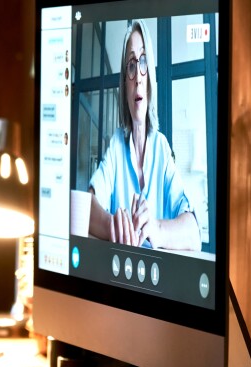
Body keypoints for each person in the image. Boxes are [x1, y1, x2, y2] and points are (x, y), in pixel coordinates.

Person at [87, 19, 200, 251]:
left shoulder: (162, 147)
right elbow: (87, 206)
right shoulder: (117, 144)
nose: (137, 76)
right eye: (130, 65)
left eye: (143, 62)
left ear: (149, 81)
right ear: (125, 86)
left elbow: (194, 234)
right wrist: (115, 226)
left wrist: (156, 229)